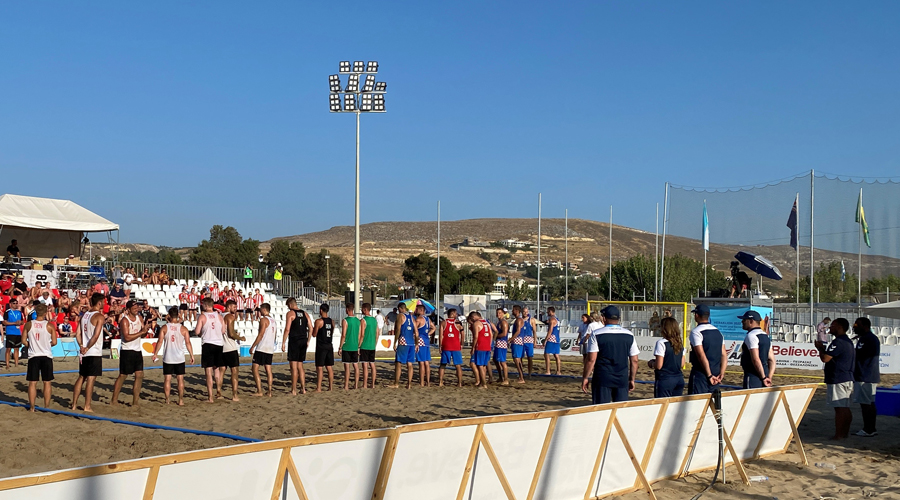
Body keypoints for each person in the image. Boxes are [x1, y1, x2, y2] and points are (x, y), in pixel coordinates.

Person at [581, 306, 639, 404]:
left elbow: (591, 360)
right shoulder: (629, 334)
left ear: (603, 318)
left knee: (601, 411)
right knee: (620, 412)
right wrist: (632, 379)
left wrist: (585, 377)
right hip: (621, 377)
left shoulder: (596, 334)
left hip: (603, 378)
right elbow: (634, 360)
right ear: (618, 319)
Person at [816, 318, 854, 440]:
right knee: (844, 407)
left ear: (839, 327)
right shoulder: (846, 341)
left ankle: (839, 434)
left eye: (832, 326)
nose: (830, 328)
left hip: (838, 378)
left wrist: (820, 348)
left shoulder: (839, 342)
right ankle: (844, 433)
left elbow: (826, 358)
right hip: (845, 377)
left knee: (840, 408)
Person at [70, 293, 105, 412]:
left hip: (84, 351)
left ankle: (74, 404)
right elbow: (95, 336)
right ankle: (87, 406)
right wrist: (87, 347)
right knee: (91, 379)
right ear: (99, 303)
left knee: (81, 377)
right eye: (103, 302)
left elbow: (78, 334)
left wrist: (81, 346)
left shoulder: (84, 315)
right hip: (93, 351)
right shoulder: (99, 316)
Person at [152, 307, 194, 405]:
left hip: (168, 357)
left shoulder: (165, 327)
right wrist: (191, 355)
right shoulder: (183, 328)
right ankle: (181, 400)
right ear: (178, 315)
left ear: (169, 315)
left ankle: (167, 399)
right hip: (179, 357)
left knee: (167, 379)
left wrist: (155, 353)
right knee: (180, 379)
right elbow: (188, 343)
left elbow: (160, 341)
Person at [111, 301, 147, 406]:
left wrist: (144, 331)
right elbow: (126, 337)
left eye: (137, 307)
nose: (136, 308)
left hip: (137, 350)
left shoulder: (139, 318)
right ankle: (114, 399)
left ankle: (135, 401)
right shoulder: (125, 321)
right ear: (128, 309)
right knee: (123, 375)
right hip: (127, 350)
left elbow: (142, 334)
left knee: (139, 375)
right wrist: (141, 332)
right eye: (134, 307)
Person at [22, 303, 57, 411]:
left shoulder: (29, 324)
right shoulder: (50, 325)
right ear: (46, 313)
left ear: (35, 312)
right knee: (47, 382)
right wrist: (45, 344)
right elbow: (54, 342)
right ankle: (46, 406)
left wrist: (32, 345)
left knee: (32, 383)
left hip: (34, 356)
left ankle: (32, 407)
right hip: (46, 355)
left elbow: (23, 341)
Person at [688, 304, 727, 394]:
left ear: (696, 315)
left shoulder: (696, 332)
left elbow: (701, 355)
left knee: (696, 404)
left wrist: (709, 375)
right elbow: (724, 355)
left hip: (701, 374)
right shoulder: (717, 332)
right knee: (713, 404)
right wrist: (721, 373)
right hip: (716, 375)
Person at [852, 317, 880, 437]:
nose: (854, 327)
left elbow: (860, 355)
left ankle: (869, 429)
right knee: (867, 402)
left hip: (866, 375)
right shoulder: (865, 338)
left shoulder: (869, 339)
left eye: (857, 325)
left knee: (866, 403)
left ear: (865, 326)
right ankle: (870, 428)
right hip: (864, 374)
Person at [195, 298, 225, 402]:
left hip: (208, 343)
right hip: (218, 344)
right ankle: (218, 390)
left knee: (208, 371)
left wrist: (201, 333)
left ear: (206, 305)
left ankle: (210, 397)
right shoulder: (219, 316)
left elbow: (197, 331)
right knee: (216, 369)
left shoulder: (203, 316)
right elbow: (223, 330)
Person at [282, 297, 312, 395]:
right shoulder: (305, 314)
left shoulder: (290, 313)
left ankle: (294, 389)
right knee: (300, 366)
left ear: (290, 305)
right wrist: (308, 340)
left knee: (293, 367)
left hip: (294, 340)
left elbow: (287, 329)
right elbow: (311, 328)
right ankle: (303, 388)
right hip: (303, 340)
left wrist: (283, 342)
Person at [649, 317, 685, 397]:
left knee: (662, 406)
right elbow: (682, 364)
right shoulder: (679, 343)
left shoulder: (661, 343)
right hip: (679, 378)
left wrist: (651, 363)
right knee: (675, 406)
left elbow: (659, 365)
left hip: (665, 378)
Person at [739, 310, 775, 388]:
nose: (742, 322)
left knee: (751, 399)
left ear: (751, 321)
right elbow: (772, 360)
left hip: (753, 375)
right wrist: (769, 377)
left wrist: (763, 378)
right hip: (764, 374)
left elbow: (756, 359)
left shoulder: (751, 336)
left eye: (745, 320)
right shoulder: (765, 336)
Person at [249, 303, 277, 397]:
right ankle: (269, 391)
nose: (260, 311)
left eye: (261, 309)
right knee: (268, 369)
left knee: (255, 368)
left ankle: (259, 390)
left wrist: (253, 346)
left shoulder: (264, 320)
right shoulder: (273, 321)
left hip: (262, 347)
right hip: (270, 348)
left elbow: (260, 334)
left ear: (264, 309)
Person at [388, 302, 417, 389]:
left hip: (403, 341)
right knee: (410, 364)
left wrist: (394, 342)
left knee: (398, 363)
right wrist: (416, 343)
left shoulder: (400, 316)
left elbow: (398, 330)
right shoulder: (411, 317)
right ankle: (409, 384)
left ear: (400, 308)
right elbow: (416, 332)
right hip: (411, 342)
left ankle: (396, 383)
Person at [221, 299, 244, 401]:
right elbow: (230, 333)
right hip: (230, 347)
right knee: (234, 371)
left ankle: (218, 392)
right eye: (234, 307)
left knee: (221, 370)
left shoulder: (220, 316)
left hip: (221, 346)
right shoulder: (230, 317)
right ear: (229, 307)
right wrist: (240, 338)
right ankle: (234, 395)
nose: (235, 309)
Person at [311, 303, 335, 392]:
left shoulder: (319, 321)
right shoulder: (332, 321)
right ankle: (330, 387)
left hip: (321, 346)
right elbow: (331, 332)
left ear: (321, 310)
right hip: (329, 344)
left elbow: (314, 334)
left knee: (320, 367)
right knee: (329, 367)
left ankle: (319, 388)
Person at [339, 303, 362, 390]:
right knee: (356, 366)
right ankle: (356, 384)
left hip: (347, 346)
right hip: (355, 346)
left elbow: (343, 335)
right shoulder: (357, 320)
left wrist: (340, 347)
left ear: (348, 310)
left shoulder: (345, 320)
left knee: (347, 367)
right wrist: (358, 346)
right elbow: (360, 334)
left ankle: (346, 385)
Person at [438, 308, 464, 387]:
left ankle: (441, 382)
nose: (456, 315)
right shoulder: (458, 323)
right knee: (458, 365)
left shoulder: (443, 323)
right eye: (456, 314)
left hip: (446, 345)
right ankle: (459, 383)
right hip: (455, 346)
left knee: (443, 365)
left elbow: (441, 336)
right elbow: (463, 335)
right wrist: (462, 344)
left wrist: (440, 345)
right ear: (452, 314)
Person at [468, 311, 493, 389]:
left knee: (480, 366)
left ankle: (484, 384)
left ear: (473, 317)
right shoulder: (487, 323)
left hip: (480, 346)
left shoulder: (477, 324)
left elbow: (475, 337)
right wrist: (489, 345)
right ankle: (483, 382)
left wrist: (473, 347)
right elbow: (491, 335)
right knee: (484, 365)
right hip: (487, 347)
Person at [414, 304, 435, 386]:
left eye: (417, 310)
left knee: (421, 362)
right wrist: (428, 334)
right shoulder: (427, 319)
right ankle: (428, 381)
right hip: (426, 341)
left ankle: (422, 382)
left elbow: (414, 330)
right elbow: (434, 328)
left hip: (420, 341)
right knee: (426, 362)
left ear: (420, 310)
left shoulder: (419, 319)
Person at [360, 302, 379, 389]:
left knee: (365, 366)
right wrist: (375, 343)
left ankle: (365, 384)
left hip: (365, 345)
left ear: (365, 309)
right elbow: (377, 333)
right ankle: (373, 384)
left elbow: (362, 334)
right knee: (372, 365)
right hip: (372, 345)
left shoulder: (364, 320)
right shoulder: (374, 320)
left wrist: (359, 345)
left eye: (362, 309)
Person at [3, 297, 24, 368]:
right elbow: (4, 322)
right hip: (10, 332)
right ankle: (7, 364)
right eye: (14, 303)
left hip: (17, 332)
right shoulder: (7, 312)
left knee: (17, 348)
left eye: (16, 303)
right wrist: (14, 323)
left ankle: (16, 363)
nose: (15, 305)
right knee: (8, 348)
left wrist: (20, 322)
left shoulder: (19, 312)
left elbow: (22, 321)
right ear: (10, 304)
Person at [509, 305, 526, 384]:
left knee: (516, 359)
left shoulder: (519, 320)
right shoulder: (518, 320)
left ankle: (521, 377)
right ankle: (521, 376)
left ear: (516, 311)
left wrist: (511, 339)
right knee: (518, 359)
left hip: (517, 341)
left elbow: (518, 331)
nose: (512, 312)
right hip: (518, 340)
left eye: (513, 310)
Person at [493, 307, 510, 385]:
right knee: (496, 360)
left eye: (500, 313)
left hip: (502, 343)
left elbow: (504, 333)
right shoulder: (499, 322)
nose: (498, 314)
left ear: (503, 313)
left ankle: (506, 379)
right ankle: (500, 377)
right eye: (497, 313)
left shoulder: (504, 322)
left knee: (502, 362)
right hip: (498, 342)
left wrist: (495, 337)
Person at [543, 307, 561, 375]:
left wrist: (545, 339)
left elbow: (550, 331)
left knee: (546, 354)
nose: (547, 313)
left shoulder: (552, 319)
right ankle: (558, 371)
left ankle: (548, 371)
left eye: (548, 312)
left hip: (552, 338)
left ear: (550, 311)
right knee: (556, 355)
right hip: (557, 338)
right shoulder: (557, 319)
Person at [521, 306, 536, 376]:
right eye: (524, 312)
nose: (525, 313)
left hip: (529, 340)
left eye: (526, 312)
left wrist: (535, 341)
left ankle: (529, 373)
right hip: (521, 340)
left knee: (530, 357)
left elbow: (534, 331)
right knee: (520, 357)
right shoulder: (520, 320)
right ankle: (521, 372)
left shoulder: (532, 320)